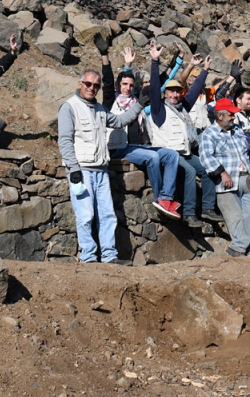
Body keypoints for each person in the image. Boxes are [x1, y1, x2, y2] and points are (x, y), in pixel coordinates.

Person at [57, 68, 150, 264]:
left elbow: (119, 120)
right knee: (85, 216)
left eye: (96, 85)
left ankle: (109, 255)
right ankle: (88, 257)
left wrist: (140, 104)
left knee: (108, 215)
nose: (92, 88)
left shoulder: (100, 109)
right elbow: (64, 140)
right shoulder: (69, 107)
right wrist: (73, 169)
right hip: (81, 170)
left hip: (101, 169)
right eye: (88, 84)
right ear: (80, 84)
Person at [99, 42, 182, 220]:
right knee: (153, 158)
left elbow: (159, 83)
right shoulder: (111, 102)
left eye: (130, 85)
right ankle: (160, 198)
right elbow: (107, 82)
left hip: (138, 146)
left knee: (171, 155)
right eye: (124, 84)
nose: (127, 88)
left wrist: (172, 60)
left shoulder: (137, 100)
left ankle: (167, 198)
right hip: (119, 148)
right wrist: (105, 55)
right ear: (118, 85)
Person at [147, 40, 218, 229]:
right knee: (190, 171)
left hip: (184, 152)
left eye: (178, 91)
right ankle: (188, 213)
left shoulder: (182, 109)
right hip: (169, 152)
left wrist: (204, 70)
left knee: (207, 169)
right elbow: (154, 88)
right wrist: (155, 62)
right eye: (171, 91)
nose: (175, 95)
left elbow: (194, 92)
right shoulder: (159, 109)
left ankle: (208, 207)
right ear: (166, 93)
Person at [199, 98, 250, 256]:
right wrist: (222, 172)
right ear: (220, 116)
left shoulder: (238, 130)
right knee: (234, 220)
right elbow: (206, 157)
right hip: (225, 181)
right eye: (230, 115)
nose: (234, 117)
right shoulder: (209, 134)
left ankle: (237, 249)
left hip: (247, 177)